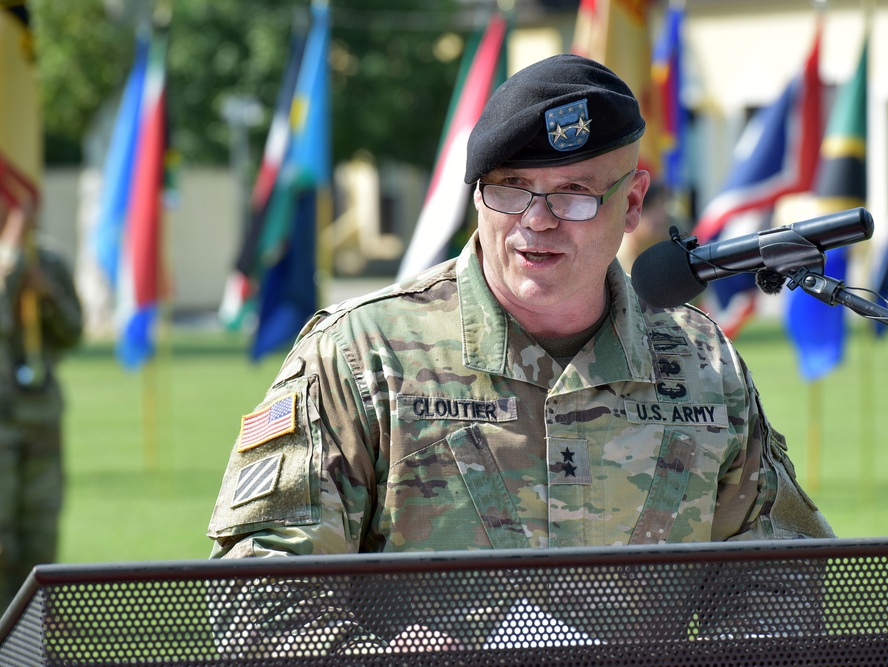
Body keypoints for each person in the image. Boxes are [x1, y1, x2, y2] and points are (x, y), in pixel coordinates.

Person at [206, 54, 833, 652]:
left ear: (633, 203)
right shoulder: (363, 356)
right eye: (510, 188)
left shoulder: (702, 366)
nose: (537, 220)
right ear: (477, 195)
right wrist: (382, 658)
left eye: (574, 193)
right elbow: (258, 594)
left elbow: (775, 573)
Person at [0, 205, 83, 611]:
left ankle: (33, 621)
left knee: (41, 527)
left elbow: (73, 332)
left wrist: (47, 293)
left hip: (40, 417)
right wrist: (11, 264)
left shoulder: (46, 260)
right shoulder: (14, 261)